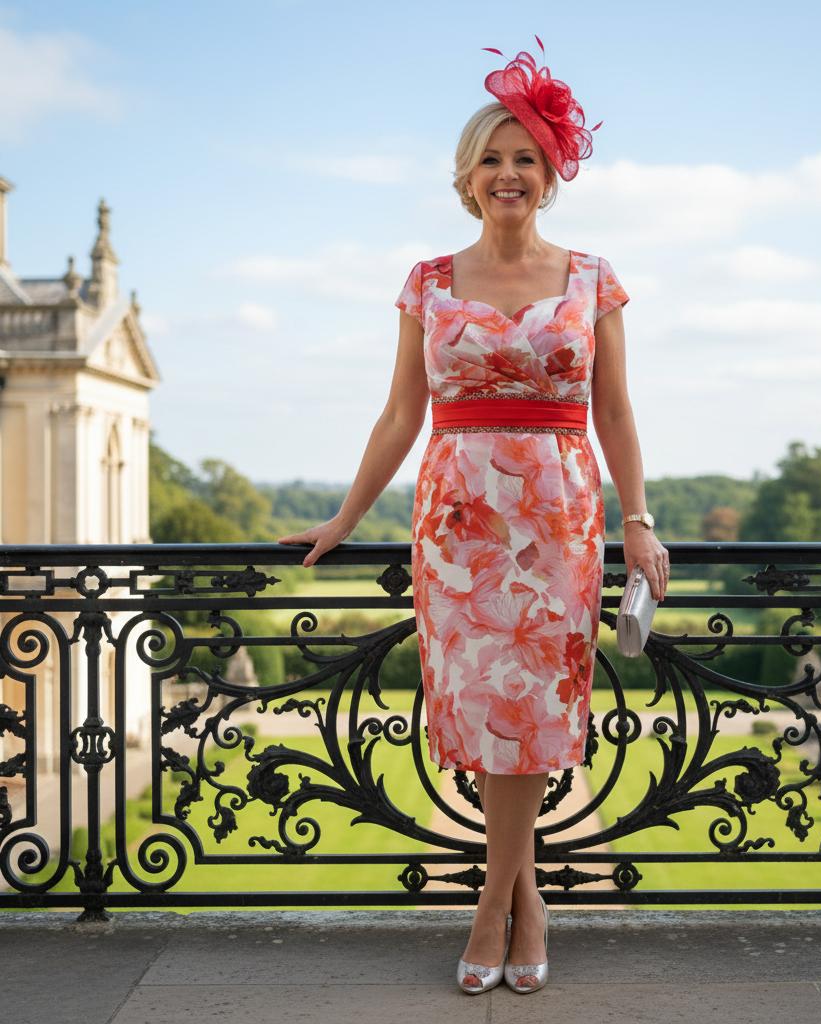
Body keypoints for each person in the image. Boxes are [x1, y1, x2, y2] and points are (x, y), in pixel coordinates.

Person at [278, 36, 670, 995]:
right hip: (457, 525)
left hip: (559, 520)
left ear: (548, 176)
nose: (508, 174)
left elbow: (615, 409)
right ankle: (520, 897)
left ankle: (497, 904)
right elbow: (401, 413)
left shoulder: (592, 277)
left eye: (525, 159)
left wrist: (639, 520)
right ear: (467, 177)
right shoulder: (426, 280)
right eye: (492, 159)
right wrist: (341, 517)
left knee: (534, 712)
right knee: (487, 711)